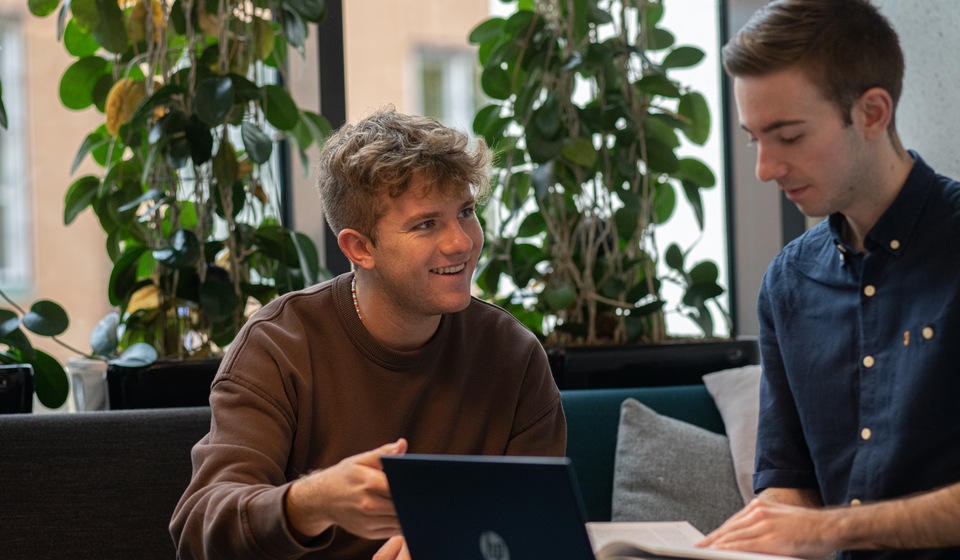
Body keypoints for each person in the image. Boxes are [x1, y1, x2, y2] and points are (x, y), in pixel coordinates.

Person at [169, 109, 567, 560]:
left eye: (466, 212)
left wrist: (444, 546)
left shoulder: (512, 353)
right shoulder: (278, 346)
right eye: (426, 223)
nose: (461, 242)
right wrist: (311, 502)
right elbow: (198, 530)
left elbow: (541, 527)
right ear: (359, 248)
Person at [697, 0, 960, 558]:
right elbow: (788, 482)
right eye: (754, 138)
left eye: (788, 136)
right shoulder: (789, 283)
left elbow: (817, 527)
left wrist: (830, 530)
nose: (766, 168)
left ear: (872, 112)